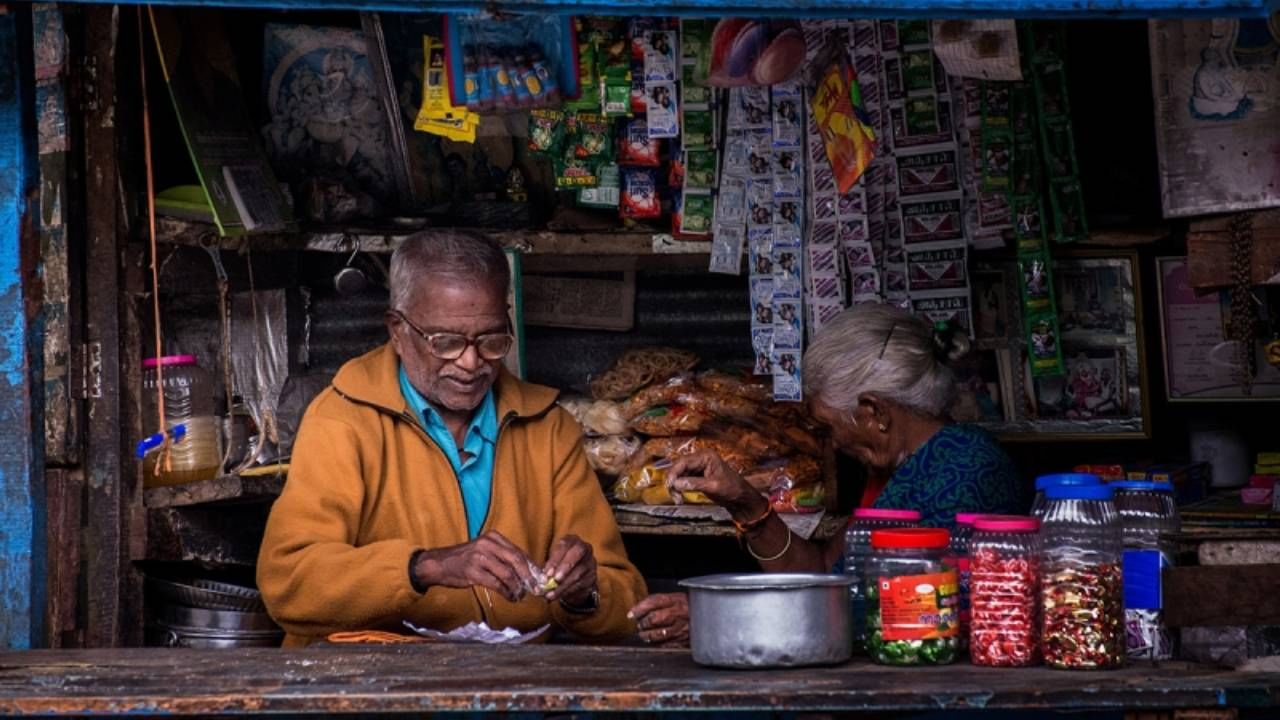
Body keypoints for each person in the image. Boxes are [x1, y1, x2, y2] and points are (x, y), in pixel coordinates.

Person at [258, 231, 646, 646]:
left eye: (491, 339)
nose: (471, 362)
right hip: (369, 685)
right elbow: (288, 584)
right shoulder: (342, 421)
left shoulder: (548, 428)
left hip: (507, 686)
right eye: (446, 342)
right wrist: (425, 567)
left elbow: (625, 602)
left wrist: (583, 591)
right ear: (397, 330)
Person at [628, 304, 1021, 646]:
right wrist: (743, 500)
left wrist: (720, 620)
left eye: (829, 427)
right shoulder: (897, 470)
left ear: (874, 413)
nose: (831, 445)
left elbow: (900, 614)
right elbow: (820, 575)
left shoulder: (966, 470)